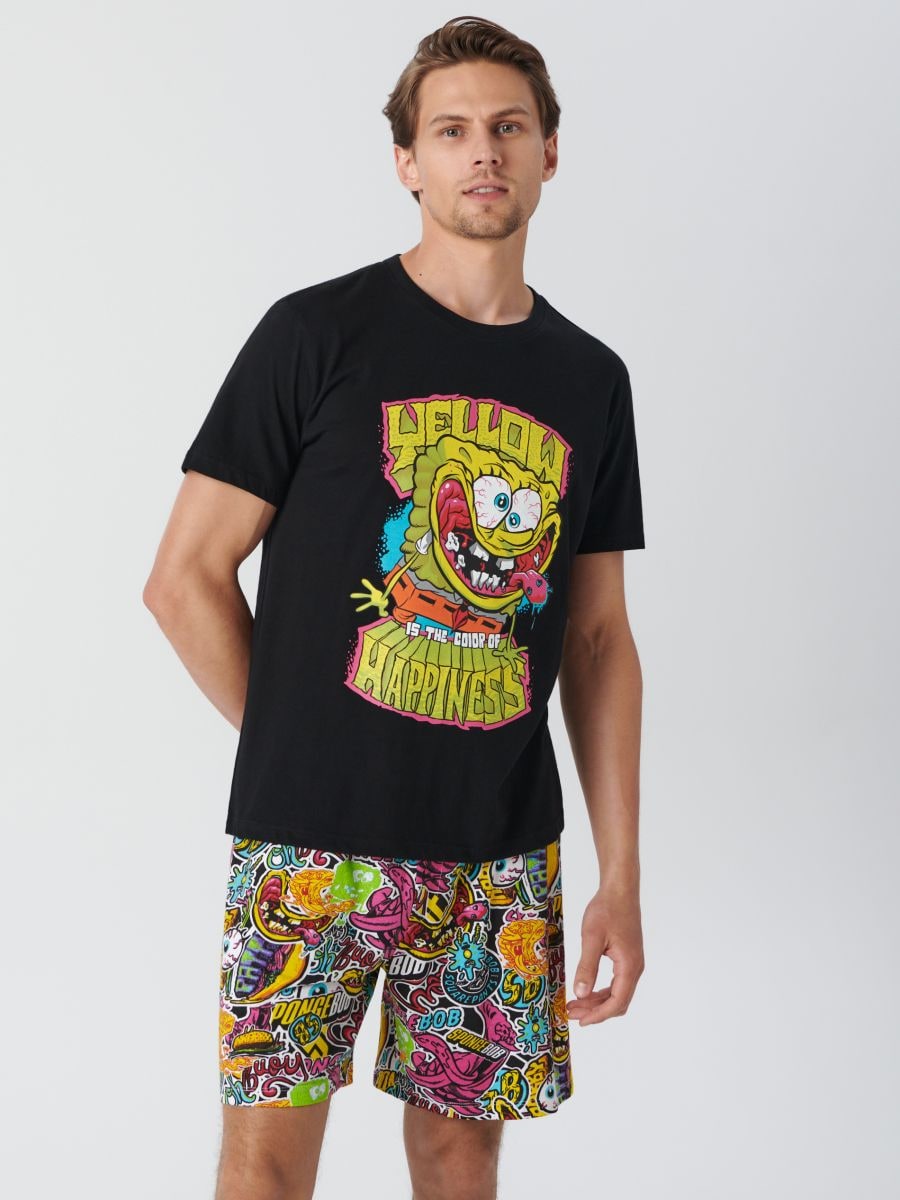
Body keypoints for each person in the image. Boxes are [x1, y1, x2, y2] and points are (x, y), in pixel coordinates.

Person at [143, 15, 646, 1200]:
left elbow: (596, 636)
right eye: (452, 130)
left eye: (509, 127)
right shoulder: (315, 334)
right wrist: (305, 743)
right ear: (407, 162)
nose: (485, 151)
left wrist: (621, 871)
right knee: (268, 1163)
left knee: (462, 1158)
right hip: (308, 849)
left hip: (499, 855)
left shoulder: (590, 379)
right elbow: (183, 577)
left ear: (550, 153)